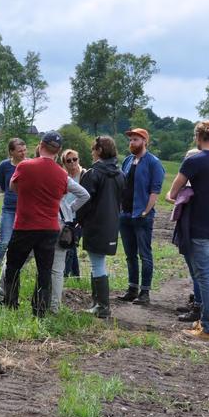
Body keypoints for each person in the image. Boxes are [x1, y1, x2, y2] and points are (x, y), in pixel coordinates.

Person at [168, 121, 209, 341]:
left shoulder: (194, 160)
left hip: (198, 226)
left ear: (198, 137)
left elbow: (172, 193)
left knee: (204, 275)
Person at [2, 131, 69, 317]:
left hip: (25, 224)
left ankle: (10, 305)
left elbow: (13, 187)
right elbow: (62, 195)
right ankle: (39, 310)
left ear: (40, 145)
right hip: (49, 227)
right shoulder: (62, 174)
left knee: (14, 266)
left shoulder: (25, 166)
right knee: (44, 270)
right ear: (59, 151)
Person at [76, 136, 125, 318]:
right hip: (112, 223)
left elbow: (84, 201)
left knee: (97, 264)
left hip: (95, 223)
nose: (91, 152)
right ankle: (98, 303)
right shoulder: (120, 174)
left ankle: (102, 306)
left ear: (99, 150)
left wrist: (77, 219)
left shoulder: (93, 173)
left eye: (93, 149)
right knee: (99, 263)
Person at [117, 128, 166, 305]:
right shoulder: (128, 161)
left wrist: (146, 211)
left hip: (142, 216)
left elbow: (155, 190)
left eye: (136, 140)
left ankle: (144, 293)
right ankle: (132, 289)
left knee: (144, 254)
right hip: (125, 215)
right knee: (130, 255)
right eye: (130, 140)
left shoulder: (154, 163)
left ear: (145, 141)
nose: (132, 143)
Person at [166, 148, 203, 323]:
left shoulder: (192, 185)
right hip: (186, 227)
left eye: (188, 159)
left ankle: (198, 305)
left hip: (190, 228)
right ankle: (195, 300)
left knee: (196, 269)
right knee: (192, 268)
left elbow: (171, 197)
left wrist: (174, 196)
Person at [48, 166, 90, 314]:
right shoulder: (62, 176)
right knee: (57, 269)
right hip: (63, 223)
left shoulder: (37, 174)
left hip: (43, 221)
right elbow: (84, 195)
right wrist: (69, 208)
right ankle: (54, 307)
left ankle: (4, 295)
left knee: (20, 260)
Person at [0, 138, 26, 304]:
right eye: (19, 150)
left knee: (19, 243)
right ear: (11, 152)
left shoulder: (29, 165)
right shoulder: (5, 165)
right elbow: (5, 187)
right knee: (4, 241)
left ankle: (13, 269)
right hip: (8, 208)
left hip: (24, 209)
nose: (23, 152)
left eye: (24, 149)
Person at [61, 149, 87, 278]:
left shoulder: (84, 175)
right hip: (66, 216)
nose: (72, 162)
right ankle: (76, 276)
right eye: (68, 160)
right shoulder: (63, 176)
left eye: (74, 159)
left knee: (70, 247)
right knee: (71, 245)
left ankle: (65, 275)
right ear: (64, 163)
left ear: (79, 159)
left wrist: (72, 208)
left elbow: (87, 195)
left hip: (79, 216)